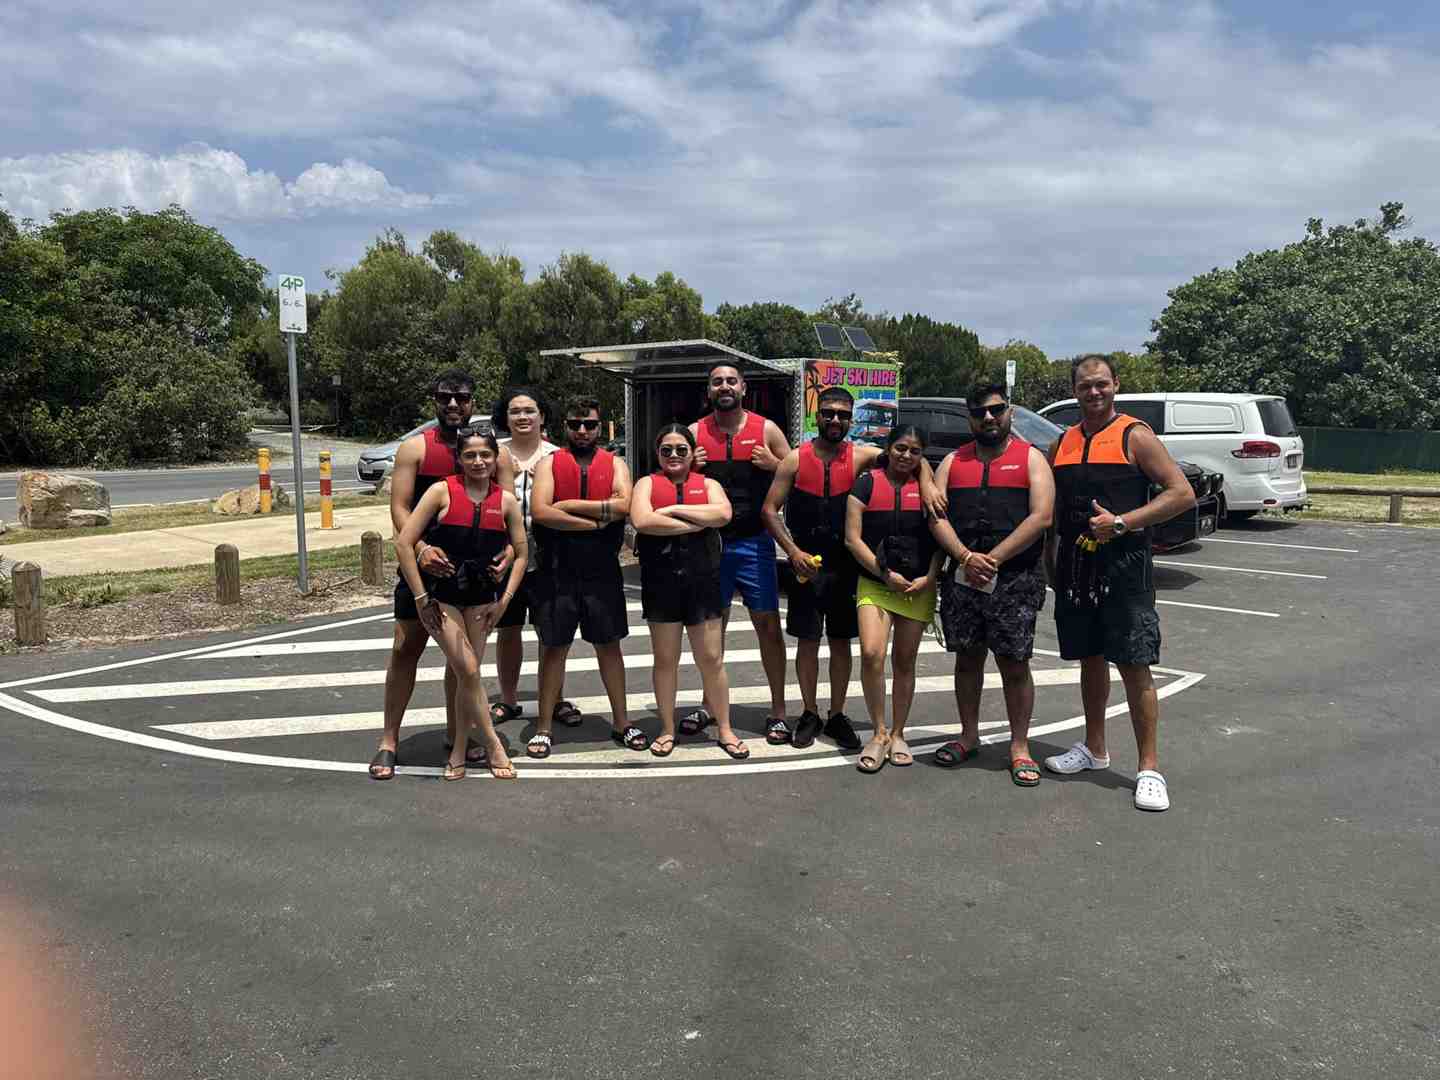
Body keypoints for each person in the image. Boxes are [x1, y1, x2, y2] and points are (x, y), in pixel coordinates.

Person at [1044, 354, 1196, 811]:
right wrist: (1052, 564)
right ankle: (1094, 749)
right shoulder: (1063, 442)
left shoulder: (1135, 435)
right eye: (1086, 386)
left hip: (1124, 567)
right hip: (1076, 569)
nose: (1094, 393)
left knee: (1134, 663)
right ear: (1074, 390)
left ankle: (1149, 768)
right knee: (1089, 659)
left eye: (1102, 385)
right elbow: (1053, 513)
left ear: (1115, 386)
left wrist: (1124, 523)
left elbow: (1181, 494)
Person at [763, 386, 948, 752]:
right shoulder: (795, 460)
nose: (835, 420)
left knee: (841, 642)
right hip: (807, 563)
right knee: (808, 640)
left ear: (851, 419)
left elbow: (910, 454)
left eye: (843, 414)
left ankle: (836, 714)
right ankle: (810, 712)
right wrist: (792, 551)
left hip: (847, 565)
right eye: (829, 413)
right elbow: (770, 510)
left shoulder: (862, 456)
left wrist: (926, 484)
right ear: (817, 415)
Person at [369, 369, 512, 780]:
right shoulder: (415, 448)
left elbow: (506, 508)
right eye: (445, 397)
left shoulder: (493, 451)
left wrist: (505, 552)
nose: (453, 405)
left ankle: (458, 737)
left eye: (462, 397)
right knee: (404, 648)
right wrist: (421, 548)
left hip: (474, 573)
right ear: (434, 399)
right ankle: (389, 741)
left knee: (463, 660)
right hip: (424, 567)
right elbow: (399, 509)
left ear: (472, 401)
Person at [929, 383, 1055, 786]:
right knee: (967, 659)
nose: (988, 417)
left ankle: (1020, 746)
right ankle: (968, 735)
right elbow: (936, 517)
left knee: (1014, 663)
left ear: (1009, 412)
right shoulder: (951, 462)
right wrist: (966, 558)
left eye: (996, 410)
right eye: (979, 412)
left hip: (1015, 579)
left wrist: (994, 559)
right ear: (969, 417)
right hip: (963, 579)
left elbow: (1041, 517)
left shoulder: (1031, 459)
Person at [395, 427, 528, 780]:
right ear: (459, 459)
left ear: (495, 457)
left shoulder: (507, 501)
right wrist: (422, 596)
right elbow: (404, 543)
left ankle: (457, 749)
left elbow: (523, 551)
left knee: (463, 675)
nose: (478, 461)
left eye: (485, 454)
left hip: (484, 599)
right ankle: (492, 744)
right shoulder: (441, 491)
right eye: (469, 455)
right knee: (468, 669)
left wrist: (505, 600)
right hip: (443, 597)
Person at [528, 396, 647, 757]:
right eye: (575, 424)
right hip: (557, 569)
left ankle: (622, 721)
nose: (582, 431)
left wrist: (568, 506)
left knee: (609, 646)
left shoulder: (615, 463)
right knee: (553, 649)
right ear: (564, 426)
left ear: (600, 426)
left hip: (602, 571)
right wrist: (597, 520)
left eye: (590, 424)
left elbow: (626, 506)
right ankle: (544, 726)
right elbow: (540, 512)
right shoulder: (549, 463)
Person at [686, 361, 793, 746]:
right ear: (709, 390)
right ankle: (708, 704)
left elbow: (799, 473)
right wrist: (689, 469)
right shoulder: (696, 432)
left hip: (755, 543)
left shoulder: (765, 429)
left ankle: (778, 710)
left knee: (767, 627)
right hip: (710, 545)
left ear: (743, 387)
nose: (725, 386)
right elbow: (673, 482)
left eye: (731, 380)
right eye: (717, 382)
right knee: (712, 631)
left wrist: (775, 464)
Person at [630, 425, 742, 759]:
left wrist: (669, 511)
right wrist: (696, 523)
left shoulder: (709, 485)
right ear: (657, 453)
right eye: (667, 450)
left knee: (711, 659)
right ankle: (666, 728)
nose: (674, 455)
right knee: (665, 659)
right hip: (661, 582)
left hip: (702, 581)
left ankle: (724, 728)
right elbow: (642, 521)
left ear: (693, 453)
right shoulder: (646, 484)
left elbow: (722, 514)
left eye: (681, 449)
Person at [844, 425, 943, 773]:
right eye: (900, 448)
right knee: (872, 653)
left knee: (905, 661)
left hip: (918, 585)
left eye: (915, 451)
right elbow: (853, 539)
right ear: (888, 448)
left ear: (922, 456)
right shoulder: (867, 483)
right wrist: (885, 574)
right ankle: (878, 732)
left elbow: (940, 537)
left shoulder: (929, 490)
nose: (906, 456)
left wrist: (931, 576)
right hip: (876, 581)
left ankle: (899, 733)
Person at [489, 387, 573, 728]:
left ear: (542, 416)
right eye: (515, 411)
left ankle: (554, 699)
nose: (522, 417)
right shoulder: (492, 454)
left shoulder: (558, 456)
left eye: (529, 410)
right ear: (505, 418)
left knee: (551, 631)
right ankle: (508, 699)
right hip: (503, 555)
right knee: (507, 628)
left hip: (551, 555)